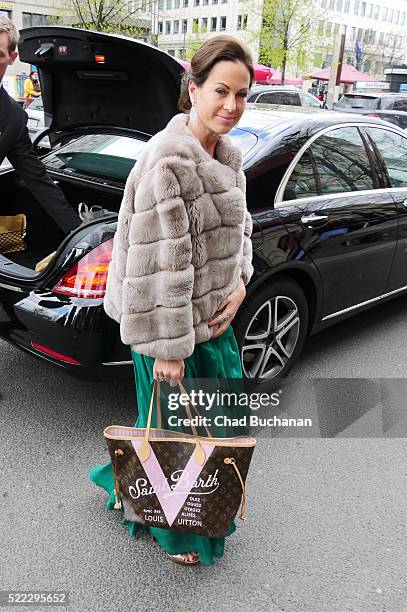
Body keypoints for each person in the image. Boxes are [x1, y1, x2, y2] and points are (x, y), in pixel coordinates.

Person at [89, 35, 255, 566]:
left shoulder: (227, 155)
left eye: (242, 94)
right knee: (178, 439)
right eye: (221, 91)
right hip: (174, 334)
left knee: (214, 427)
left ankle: (126, 483)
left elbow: (242, 232)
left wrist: (241, 282)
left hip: (215, 323)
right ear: (194, 88)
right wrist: (168, 347)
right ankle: (180, 534)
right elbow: (156, 265)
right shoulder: (170, 160)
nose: (231, 105)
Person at [0, 16, 81, 236]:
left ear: (12, 58)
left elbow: (39, 181)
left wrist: (81, 234)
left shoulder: (14, 119)